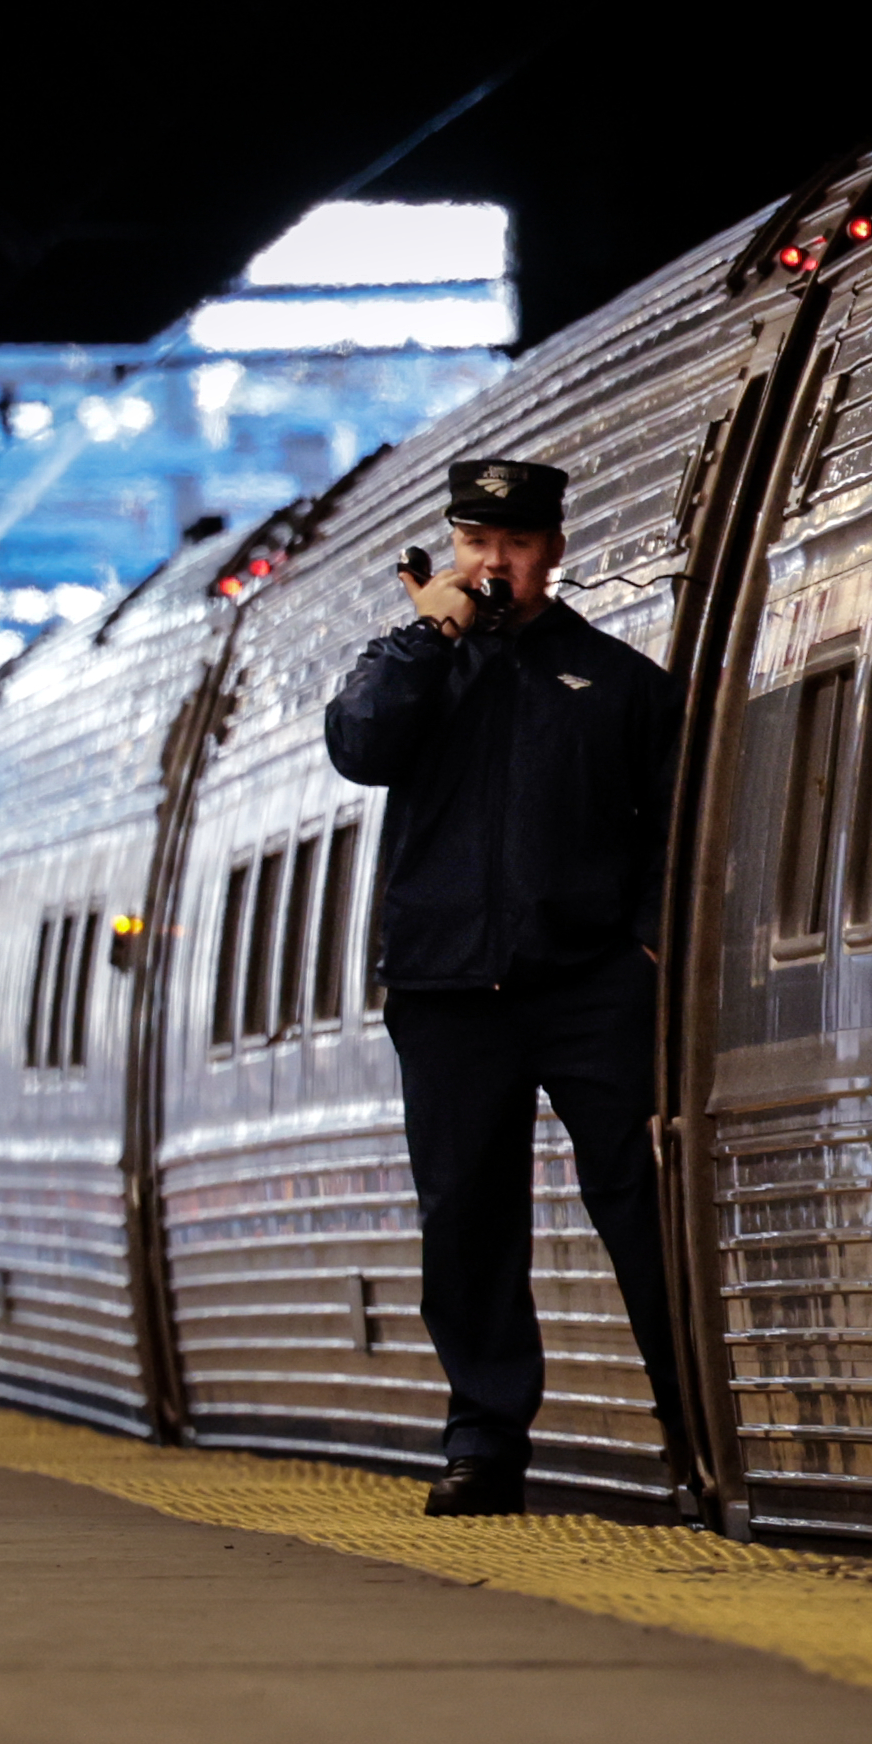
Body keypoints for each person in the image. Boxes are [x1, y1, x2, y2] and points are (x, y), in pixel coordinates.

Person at [321, 454, 701, 1520]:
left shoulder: (618, 681)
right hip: (446, 992)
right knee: (468, 1221)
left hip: (587, 987)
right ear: (453, 547)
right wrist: (425, 636)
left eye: (517, 545)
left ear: (553, 551)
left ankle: (694, 1422)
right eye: (478, 543)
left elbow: (674, 832)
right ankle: (483, 1443)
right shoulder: (411, 667)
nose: (496, 564)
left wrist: (645, 951)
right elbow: (358, 747)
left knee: (639, 1202)